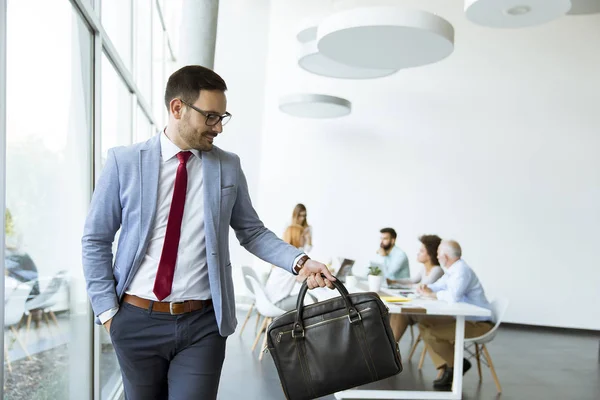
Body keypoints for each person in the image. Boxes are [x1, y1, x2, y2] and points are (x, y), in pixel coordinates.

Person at [81, 65, 335, 400]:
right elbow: (96, 239)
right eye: (211, 117)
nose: (218, 128)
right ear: (178, 108)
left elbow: (252, 232)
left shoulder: (227, 165)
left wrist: (301, 262)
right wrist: (108, 312)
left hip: (202, 325)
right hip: (136, 320)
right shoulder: (124, 162)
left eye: (222, 117)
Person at [416, 240, 494, 390]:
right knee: (424, 323)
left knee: (432, 334)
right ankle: (449, 366)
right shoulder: (453, 270)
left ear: (445, 256)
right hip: (464, 319)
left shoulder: (461, 271)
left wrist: (432, 295)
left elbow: (452, 297)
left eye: (438, 254)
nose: (437, 257)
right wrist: (427, 287)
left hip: (479, 325)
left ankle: (456, 366)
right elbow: (439, 285)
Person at [388, 234, 444, 341]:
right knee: (396, 311)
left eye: (422, 251)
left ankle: (391, 348)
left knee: (401, 313)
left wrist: (398, 284)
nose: (418, 253)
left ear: (430, 254)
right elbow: (412, 281)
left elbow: (420, 287)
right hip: (421, 306)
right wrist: (393, 281)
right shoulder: (424, 269)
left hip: (429, 311)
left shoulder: (437, 270)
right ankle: (390, 347)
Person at [264, 224, 312, 311]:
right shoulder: (294, 259)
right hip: (276, 303)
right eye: (302, 236)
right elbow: (302, 277)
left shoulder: (284, 256)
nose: (304, 238)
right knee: (309, 298)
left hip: (269, 300)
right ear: (296, 237)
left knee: (307, 296)